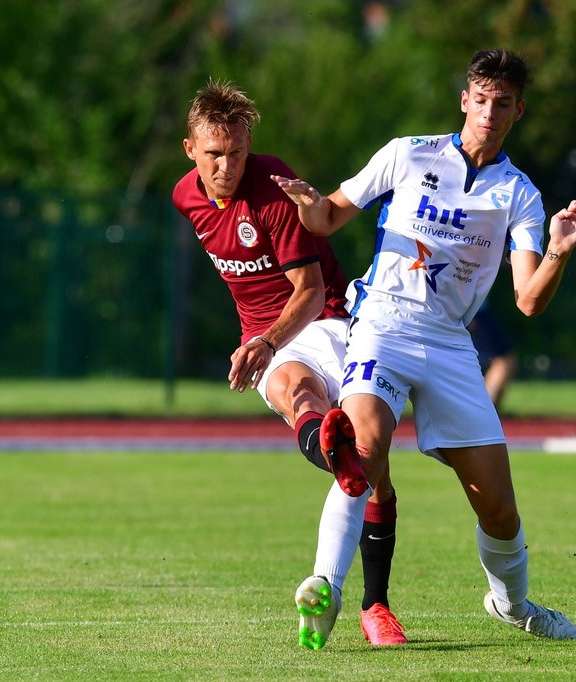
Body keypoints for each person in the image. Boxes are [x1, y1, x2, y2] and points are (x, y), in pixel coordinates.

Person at [272, 48, 576, 648]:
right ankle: (326, 589)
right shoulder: (407, 154)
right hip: (382, 325)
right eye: (481, 99)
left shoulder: (520, 195)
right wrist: (309, 204)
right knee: (361, 448)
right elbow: (327, 219)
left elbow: (528, 299)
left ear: (518, 110)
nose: (490, 112)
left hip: (451, 346)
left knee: (497, 510)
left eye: (503, 103)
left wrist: (559, 247)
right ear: (464, 101)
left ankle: (514, 604)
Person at [171, 79, 407, 646]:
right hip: (271, 341)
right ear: (190, 150)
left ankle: (375, 606)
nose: (227, 166)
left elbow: (310, 286)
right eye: (214, 155)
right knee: (299, 396)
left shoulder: (273, 190)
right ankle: (333, 451)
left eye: (237, 152)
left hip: (324, 321)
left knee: (380, 479)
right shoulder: (185, 196)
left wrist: (267, 341)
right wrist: (264, 342)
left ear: (250, 145)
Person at [467, 300, 517, 411]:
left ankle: (486, 412)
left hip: (476, 311)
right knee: (503, 363)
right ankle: (483, 412)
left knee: (506, 362)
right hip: (473, 313)